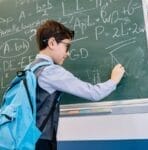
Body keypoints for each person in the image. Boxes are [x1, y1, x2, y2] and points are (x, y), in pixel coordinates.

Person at [32, 20, 125, 150]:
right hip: (39, 140)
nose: (68, 53)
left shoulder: (29, 70)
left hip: (23, 138)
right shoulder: (51, 72)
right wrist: (114, 80)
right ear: (52, 43)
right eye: (67, 47)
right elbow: (93, 93)